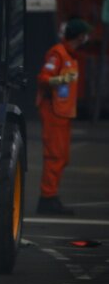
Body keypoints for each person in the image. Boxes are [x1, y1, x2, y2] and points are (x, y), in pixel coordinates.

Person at [36, 17, 93, 215]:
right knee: (54, 156)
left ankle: (51, 196)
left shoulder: (71, 56)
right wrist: (62, 79)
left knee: (62, 157)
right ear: (79, 36)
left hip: (64, 113)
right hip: (54, 113)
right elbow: (43, 78)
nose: (87, 38)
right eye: (85, 34)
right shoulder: (57, 54)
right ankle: (47, 198)